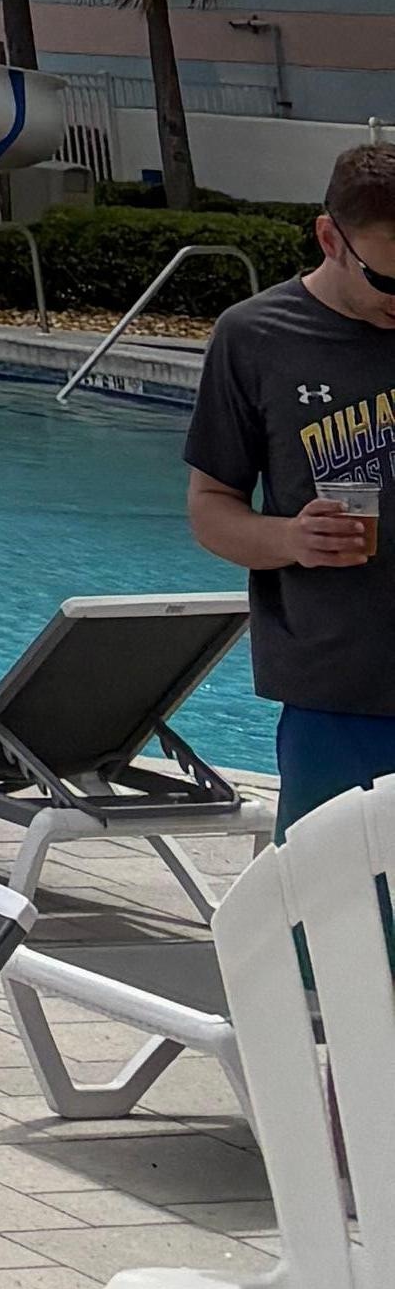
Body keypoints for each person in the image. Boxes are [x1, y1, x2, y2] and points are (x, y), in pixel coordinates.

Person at [187, 136, 395, 823]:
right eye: (389, 280)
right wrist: (291, 539)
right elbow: (211, 507)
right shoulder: (256, 338)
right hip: (340, 693)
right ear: (330, 239)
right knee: (340, 888)